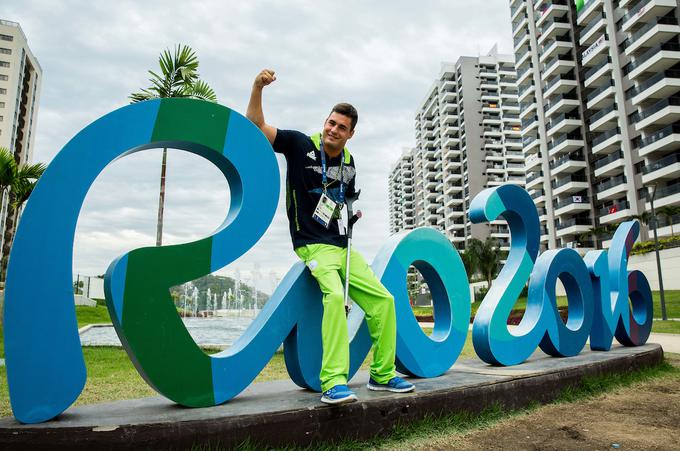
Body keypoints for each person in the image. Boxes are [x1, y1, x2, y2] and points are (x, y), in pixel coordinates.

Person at [246, 69, 414, 404]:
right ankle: (333, 381)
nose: (332, 130)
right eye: (330, 122)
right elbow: (255, 127)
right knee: (335, 297)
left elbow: (341, 201)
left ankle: (382, 374)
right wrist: (257, 87)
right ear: (325, 121)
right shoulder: (299, 144)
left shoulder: (350, 163)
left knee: (384, 301)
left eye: (341, 127)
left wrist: (350, 215)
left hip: (343, 245)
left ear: (350, 134)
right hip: (312, 245)